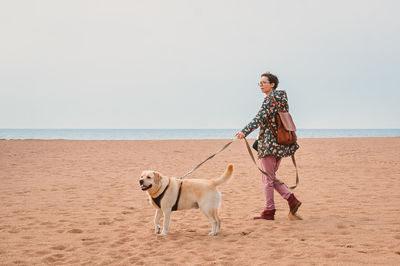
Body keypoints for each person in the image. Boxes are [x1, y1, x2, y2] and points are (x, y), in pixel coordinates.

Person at [235, 72, 301, 220]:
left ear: (272, 84)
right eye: (260, 83)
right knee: (270, 177)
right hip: (282, 143)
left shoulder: (270, 100)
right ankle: (290, 200)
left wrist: (244, 132)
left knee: (267, 179)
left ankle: (270, 210)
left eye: (264, 82)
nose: (261, 85)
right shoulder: (282, 99)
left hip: (269, 145)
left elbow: (259, 118)